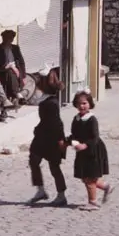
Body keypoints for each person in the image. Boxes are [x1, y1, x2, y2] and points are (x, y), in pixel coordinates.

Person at [28, 66, 70, 207]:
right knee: (34, 160)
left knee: (54, 167)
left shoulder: (51, 103)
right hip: (42, 136)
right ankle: (40, 190)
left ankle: (61, 195)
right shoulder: (46, 99)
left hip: (52, 138)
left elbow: (57, 124)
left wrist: (60, 141)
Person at [68, 90, 112, 210]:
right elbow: (74, 134)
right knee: (85, 177)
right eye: (79, 104)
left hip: (93, 150)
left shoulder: (92, 119)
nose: (82, 106)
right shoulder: (76, 119)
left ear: (89, 104)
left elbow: (95, 137)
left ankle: (93, 203)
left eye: (84, 103)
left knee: (90, 177)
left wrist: (85, 145)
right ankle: (106, 187)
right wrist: (68, 141)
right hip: (82, 151)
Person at [0, 30, 26, 104]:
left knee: (10, 73)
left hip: (16, 72)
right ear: (3, 38)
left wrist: (24, 76)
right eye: (7, 38)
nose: (9, 40)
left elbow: (21, 62)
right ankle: (16, 94)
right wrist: (6, 67)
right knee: (9, 72)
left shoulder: (16, 48)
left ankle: (8, 102)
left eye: (10, 38)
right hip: (1, 72)